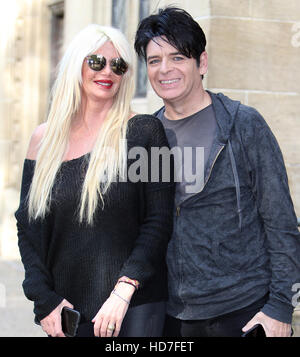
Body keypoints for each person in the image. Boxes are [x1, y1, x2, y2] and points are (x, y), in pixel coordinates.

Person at [134, 7, 300, 337]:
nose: (165, 69)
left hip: (244, 309)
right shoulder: (145, 136)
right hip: (172, 315)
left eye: (178, 57)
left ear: (202, 63)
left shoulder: (243, 124)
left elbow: (281, 223)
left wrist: (281, 306)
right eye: (154, 60)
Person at [15, 24, 174, 337]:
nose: (108, 72)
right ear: (77, 64)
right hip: (68, 314)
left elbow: (159, 221)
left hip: (134, 309)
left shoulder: (145, 132)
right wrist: (43, 299)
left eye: (118, 65)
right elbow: (28, 227)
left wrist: (123, 290)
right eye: (96, 62)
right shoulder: (43, 140)